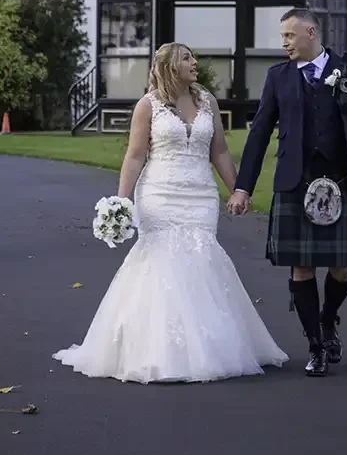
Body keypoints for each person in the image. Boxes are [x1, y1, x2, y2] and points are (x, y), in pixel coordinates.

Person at [54, 43, 287, 383]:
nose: (195, 63)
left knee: (201, 257)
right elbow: (135, 156)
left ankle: (209, 347)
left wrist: (238, 189)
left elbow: (219, 150)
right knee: (161, 263)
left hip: (200, 195)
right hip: (160, 194)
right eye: (188, 58)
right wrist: (121, 201)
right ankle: (158, 352)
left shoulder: (207, 101)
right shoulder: (147, 106)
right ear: (169, 67)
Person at [229, 9, 347, 377]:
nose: (284, 42)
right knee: (301, 267)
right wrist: (243, 187)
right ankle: (316, 346)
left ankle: (328, 318)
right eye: (283, 36)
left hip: (343, 184)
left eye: (289, 35)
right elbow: (258, 135)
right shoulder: (278, 77)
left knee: (341, 266)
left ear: (311, 32)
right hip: (295, 183)